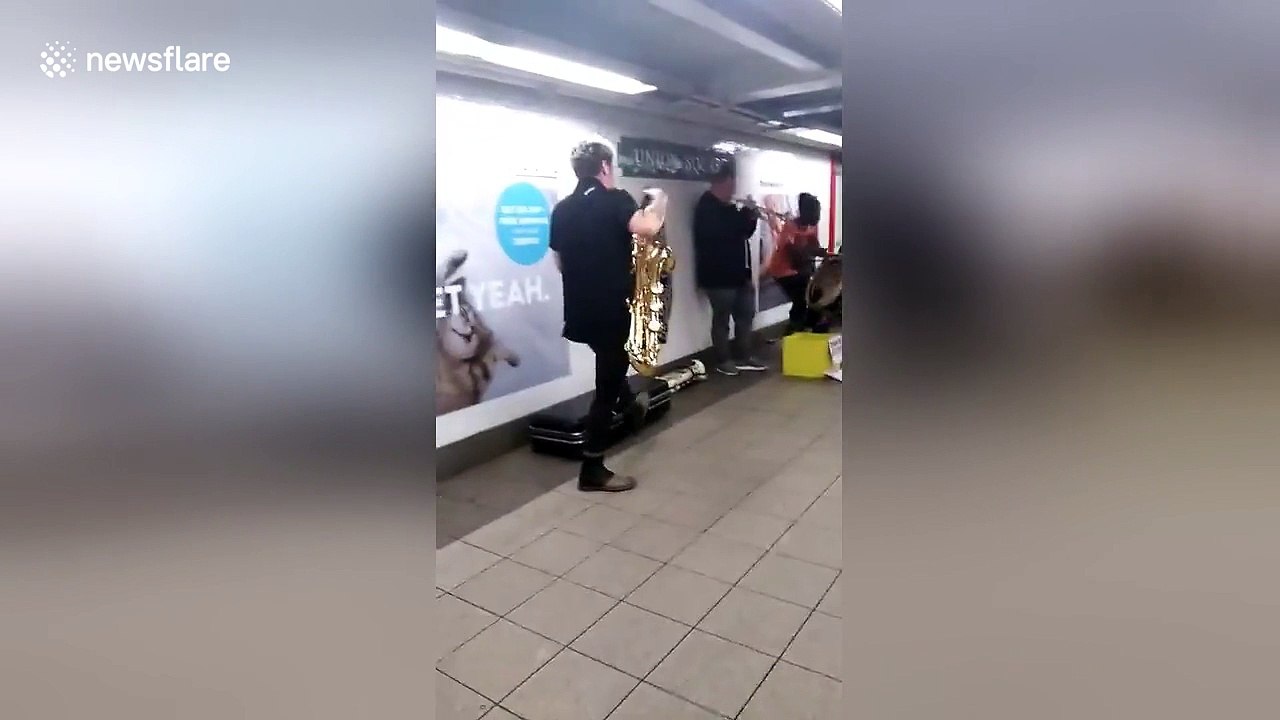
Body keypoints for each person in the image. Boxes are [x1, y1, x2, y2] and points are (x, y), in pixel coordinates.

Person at [549, 141, 665, 493]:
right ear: (603, 166)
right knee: (606, 389)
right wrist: (659, 199)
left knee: (610, 362)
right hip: (613, 310)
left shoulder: (563, 209)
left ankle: (629, 406)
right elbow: (648, 227)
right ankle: (592, 468)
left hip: (581, 311)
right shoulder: (615, 199)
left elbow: (559, 262)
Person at [693, 163, 766, 376]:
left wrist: (751, 217)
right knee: (722, 319)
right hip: (718, 276)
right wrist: (745, 213)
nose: (734, 189)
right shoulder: (706, 207)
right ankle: (723, 360)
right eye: (732, 183)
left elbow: (743, 232)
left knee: (746, 314)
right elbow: (724, 232)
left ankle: (744, 356)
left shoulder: (729, 208)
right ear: (723, 182)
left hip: (739, 273)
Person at [765, 192, 825, 335]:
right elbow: (794, 255)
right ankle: (794, 331)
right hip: (783, 271)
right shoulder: (790, 227)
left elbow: (814, 247)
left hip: (801, 269)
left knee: (817, 295)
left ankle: (809, 327)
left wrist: (824, 254)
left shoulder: (812, 227)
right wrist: (811, 255)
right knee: (801, 298)